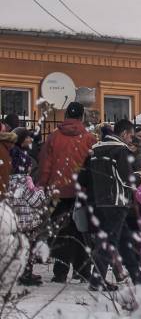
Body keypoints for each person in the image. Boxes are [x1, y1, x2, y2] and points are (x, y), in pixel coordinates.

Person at [36, 101, 96, 283]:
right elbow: (92, 166)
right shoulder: (89, 138)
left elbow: (45, 164)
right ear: (82, 117)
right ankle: (82, 270)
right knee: (81, 231)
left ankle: (60, 272)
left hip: (58, 191)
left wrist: (43, 185)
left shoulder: (54, 137)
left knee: (61, 232)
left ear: (66, 115)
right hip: (81, 191)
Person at [84, 118, 141, 290]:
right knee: (108, 243)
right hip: (117, 201)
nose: (131, 139)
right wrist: (139, 179)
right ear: (124, 133)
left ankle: (137, 277)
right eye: (131, 136)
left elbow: (88, 174)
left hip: (101, 200)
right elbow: (126, 178)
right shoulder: (120, 150)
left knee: (124, 241)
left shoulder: (96, 149)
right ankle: (97, 281)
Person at [8, 128, 46, 286]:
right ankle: (26, 274)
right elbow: (35, 201)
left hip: (14, 221)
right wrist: (41, 192)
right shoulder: (25, 181)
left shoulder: (8, 180)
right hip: (27, 222)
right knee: (29, 248)